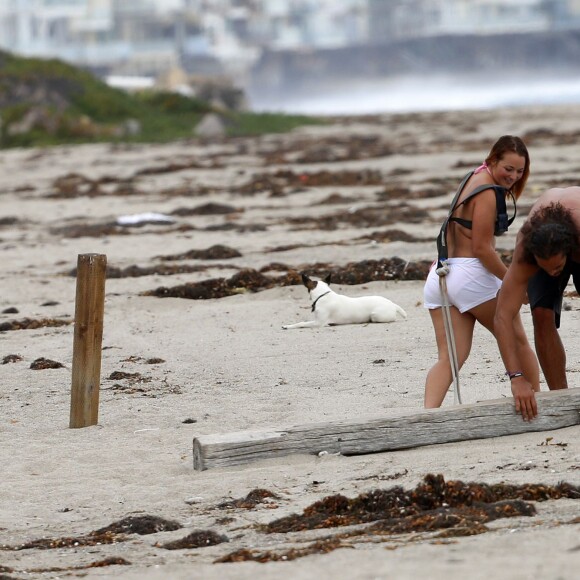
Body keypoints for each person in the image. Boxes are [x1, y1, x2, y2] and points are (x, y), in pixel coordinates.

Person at [423, 135, 539, 408]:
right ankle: (537, 401)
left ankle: (427, 416)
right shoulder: (489, 193)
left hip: (440, 273)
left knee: (450, 357)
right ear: (492, 161)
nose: (513, 176)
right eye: (507, 169)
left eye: (520, 171)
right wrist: (514, 282)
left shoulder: (474, 177)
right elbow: (482, 250)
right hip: (470, 275)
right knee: (518, 340)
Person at [495, 190, 580, 421]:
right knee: (541, 315)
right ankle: (561, 398)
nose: (553, 272)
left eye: (557, 266)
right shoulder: (526, 249)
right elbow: (503, 316)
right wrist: (516, 377)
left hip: (576, 230)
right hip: (545, 241)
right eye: (547, 267)